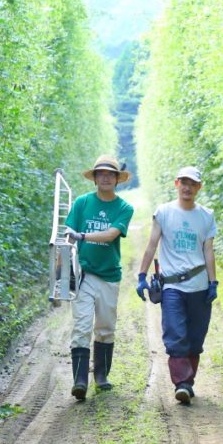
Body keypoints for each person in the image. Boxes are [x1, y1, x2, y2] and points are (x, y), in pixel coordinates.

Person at [136, 165, 218, 404]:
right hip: (172, 286)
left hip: (200, 285)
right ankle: (181, 383)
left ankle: (188, 383)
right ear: (176, 184)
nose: (188, 187)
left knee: (195, 337)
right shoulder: (163, 212)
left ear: (199, 188)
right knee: (175, 333)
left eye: (193, 183)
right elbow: (152, 245)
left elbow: (208, 250)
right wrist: (142, 275)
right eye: (184, 182)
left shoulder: (206, 216)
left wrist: (213, 282)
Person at [64, 155, 134, 400]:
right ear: (94, 178)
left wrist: (83, 236)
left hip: (109, 276)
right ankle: (79, 380)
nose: (105, 177)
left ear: (117, 179)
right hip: (84, 274)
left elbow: (111, 234)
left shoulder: (124, 208)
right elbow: (67, 236)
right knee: (81, 326)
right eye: (100, 173)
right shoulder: (82, 203)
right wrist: (61, 274)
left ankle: (101, 375)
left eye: (110, 174)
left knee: (105, 327)